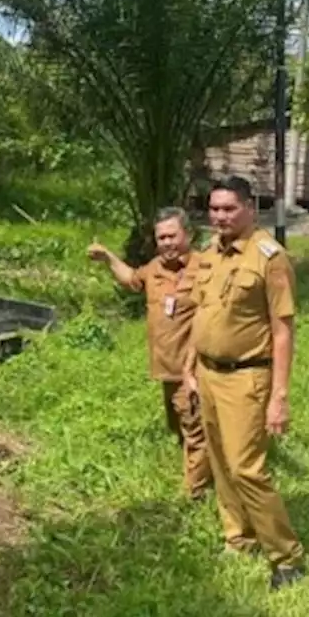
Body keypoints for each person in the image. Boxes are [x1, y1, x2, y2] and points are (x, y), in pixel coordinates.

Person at [183, 175, 306, 592]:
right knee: (219, 462)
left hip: (247, 378)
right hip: (207, 373)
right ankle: (238, 538)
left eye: (228, 209)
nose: (219, 216)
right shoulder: (208, 256)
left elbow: (283, 330)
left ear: (250, 208)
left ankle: (287, 557)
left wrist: (279, 397)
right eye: (214, 209)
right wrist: (189, 369)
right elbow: (201, 317)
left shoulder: (269, 257)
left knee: (246, 468)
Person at [87, 208, 212, 501]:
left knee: (195, 431)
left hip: (192, 370)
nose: (167, 243)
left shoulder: (206, 268)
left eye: (172, 236)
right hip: (165, 369)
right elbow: (131, 278)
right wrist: (108, 258)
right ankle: (201, 473)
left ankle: (194, 494)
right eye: (161, 238)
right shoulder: (155, 267)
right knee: (179, 427)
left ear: (189, 235)